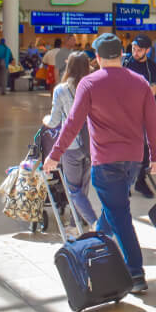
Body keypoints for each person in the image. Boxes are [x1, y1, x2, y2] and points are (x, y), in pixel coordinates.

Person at [43, 33, 156, 294]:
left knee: (120, 216)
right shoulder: (140, 82)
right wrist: (154, 157)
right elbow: (152, 123)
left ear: (96, 57)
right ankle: (95, 249)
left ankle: (136, 273)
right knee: (113, 208)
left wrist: (54, 155)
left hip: (105, 161)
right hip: (133, 160)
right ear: (121, 54)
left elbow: (72, 124)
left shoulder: (89, 83)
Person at [44, 52, 99, 229]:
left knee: (73, 189)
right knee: (83, 186)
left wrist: (45, 120)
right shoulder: (94, 86)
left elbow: (53, 121)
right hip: (92, 144)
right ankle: (78, 219)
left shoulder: (61, 90)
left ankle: (92, 220)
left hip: (71, 146)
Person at [123, 35, 156, 198]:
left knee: (144, 150)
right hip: (124, 114)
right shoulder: (125, 64)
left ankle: (141, 181)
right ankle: (125, 182)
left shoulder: (152, 68)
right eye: (133, 49)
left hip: (144, 114)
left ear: (147, 51)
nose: (135, 52)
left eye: (139, 50)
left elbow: (152, 91)